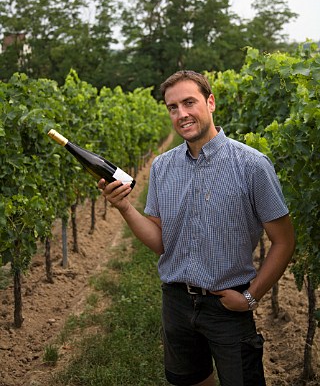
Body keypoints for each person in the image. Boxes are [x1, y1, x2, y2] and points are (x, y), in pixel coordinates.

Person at [98, 70, 295, 386]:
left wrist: (250, 298)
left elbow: (284, 241)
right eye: (173, 107)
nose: (181, 114)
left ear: (211, 102)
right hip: (175, 303)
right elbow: (162, 242)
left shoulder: (252, 165)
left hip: (227, 306)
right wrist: (123, 207)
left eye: (189, 102)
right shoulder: (163, 167)